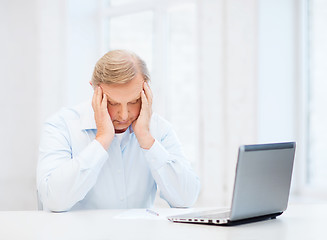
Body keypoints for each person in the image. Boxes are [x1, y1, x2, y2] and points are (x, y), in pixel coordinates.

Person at [37, 50, 200, 212]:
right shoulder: (62, 126)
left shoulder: (159, 129)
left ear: (146, 92)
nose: (123, 115)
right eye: (113, 103)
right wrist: (101, 140)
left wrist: (146, 138)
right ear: (95, 91)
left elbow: (186, 198)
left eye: (134, 101)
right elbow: (54, 201)